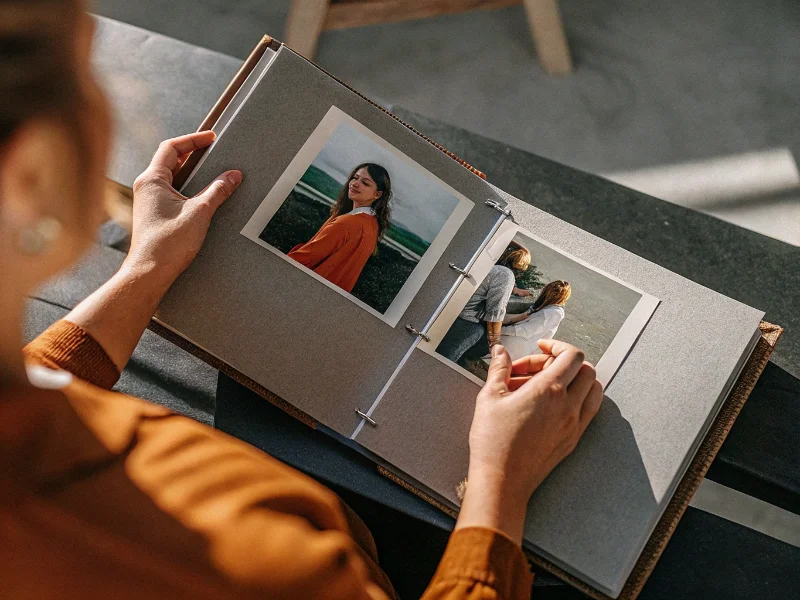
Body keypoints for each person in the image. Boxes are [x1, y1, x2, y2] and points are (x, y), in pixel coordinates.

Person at [0, 3, 603, 598]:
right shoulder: (260, 562)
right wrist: (501, 482)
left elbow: (35, 390)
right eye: (92, 73)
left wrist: (149, 267)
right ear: (33, 171)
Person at [287, 163, 391, 293]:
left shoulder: (346, 224)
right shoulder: (374, 224)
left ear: (377, 194)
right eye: (355, 177)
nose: (355, 183)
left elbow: (305, 258)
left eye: (365, 183)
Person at [437, 241, 532, 363]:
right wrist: (495, 344)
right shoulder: (505, 275)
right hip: (466, 323)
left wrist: (514, 289)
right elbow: (495, 312)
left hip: (450, 314)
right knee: (444, 362)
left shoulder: (487, 265)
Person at [498, 280, 572, 362]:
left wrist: (497, 330)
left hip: (514, 346)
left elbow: (524, 330)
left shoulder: (551, 314)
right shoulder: (550, 308)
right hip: (517, 344)